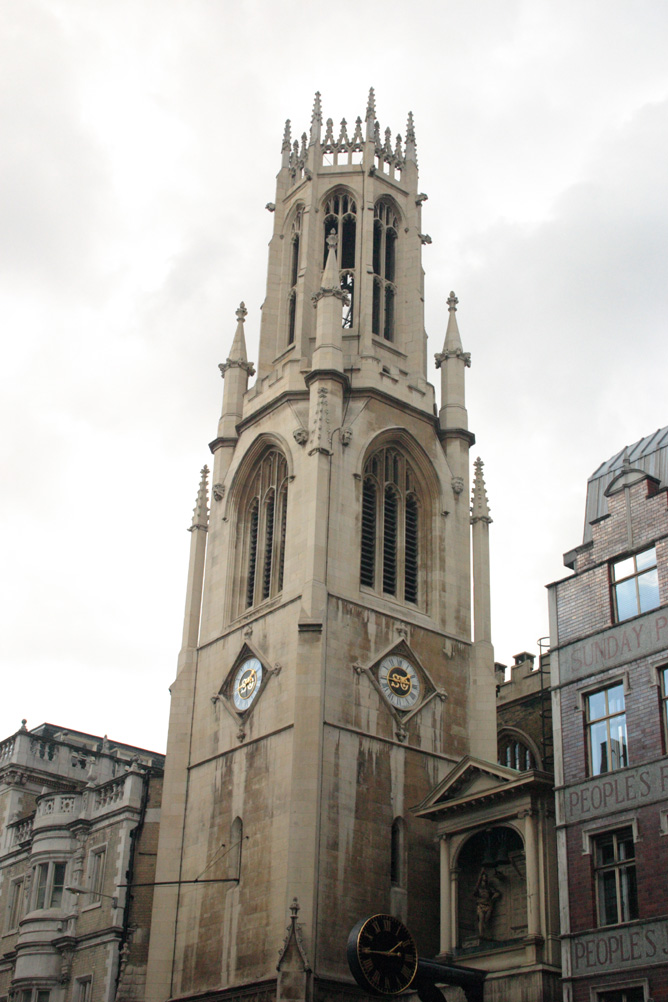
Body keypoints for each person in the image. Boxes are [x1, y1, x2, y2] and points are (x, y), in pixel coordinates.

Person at [473, 870, 501, 938]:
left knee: (486, 920)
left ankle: (486, 934)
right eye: (484, 876)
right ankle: (481, 933)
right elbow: (474, 891)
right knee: (481, 919)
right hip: (481, 904)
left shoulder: (489, 887)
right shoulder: (479, 887)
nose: (485, 878)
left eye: (486, 876)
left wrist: (493, 898)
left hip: (488, 904)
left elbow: (497, 893)